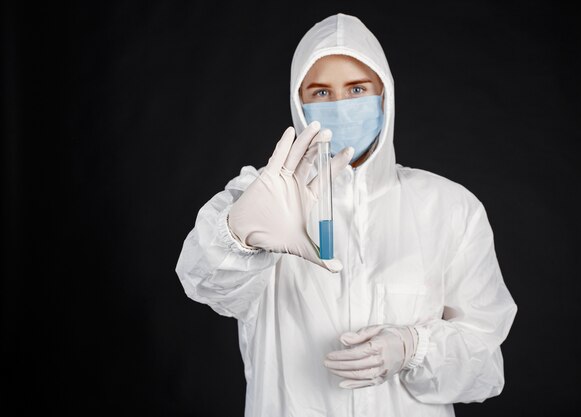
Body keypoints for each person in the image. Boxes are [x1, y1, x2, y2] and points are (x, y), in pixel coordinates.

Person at [175, 12, 517, 417]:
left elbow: (483, 367)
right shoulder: (263, 196)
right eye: (320, 92)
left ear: (384, 94)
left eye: (357, 88)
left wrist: (412, 347)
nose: (340, 104)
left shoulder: (448, 207)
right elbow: (204, 284)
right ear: (297, 101)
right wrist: (237, 235)